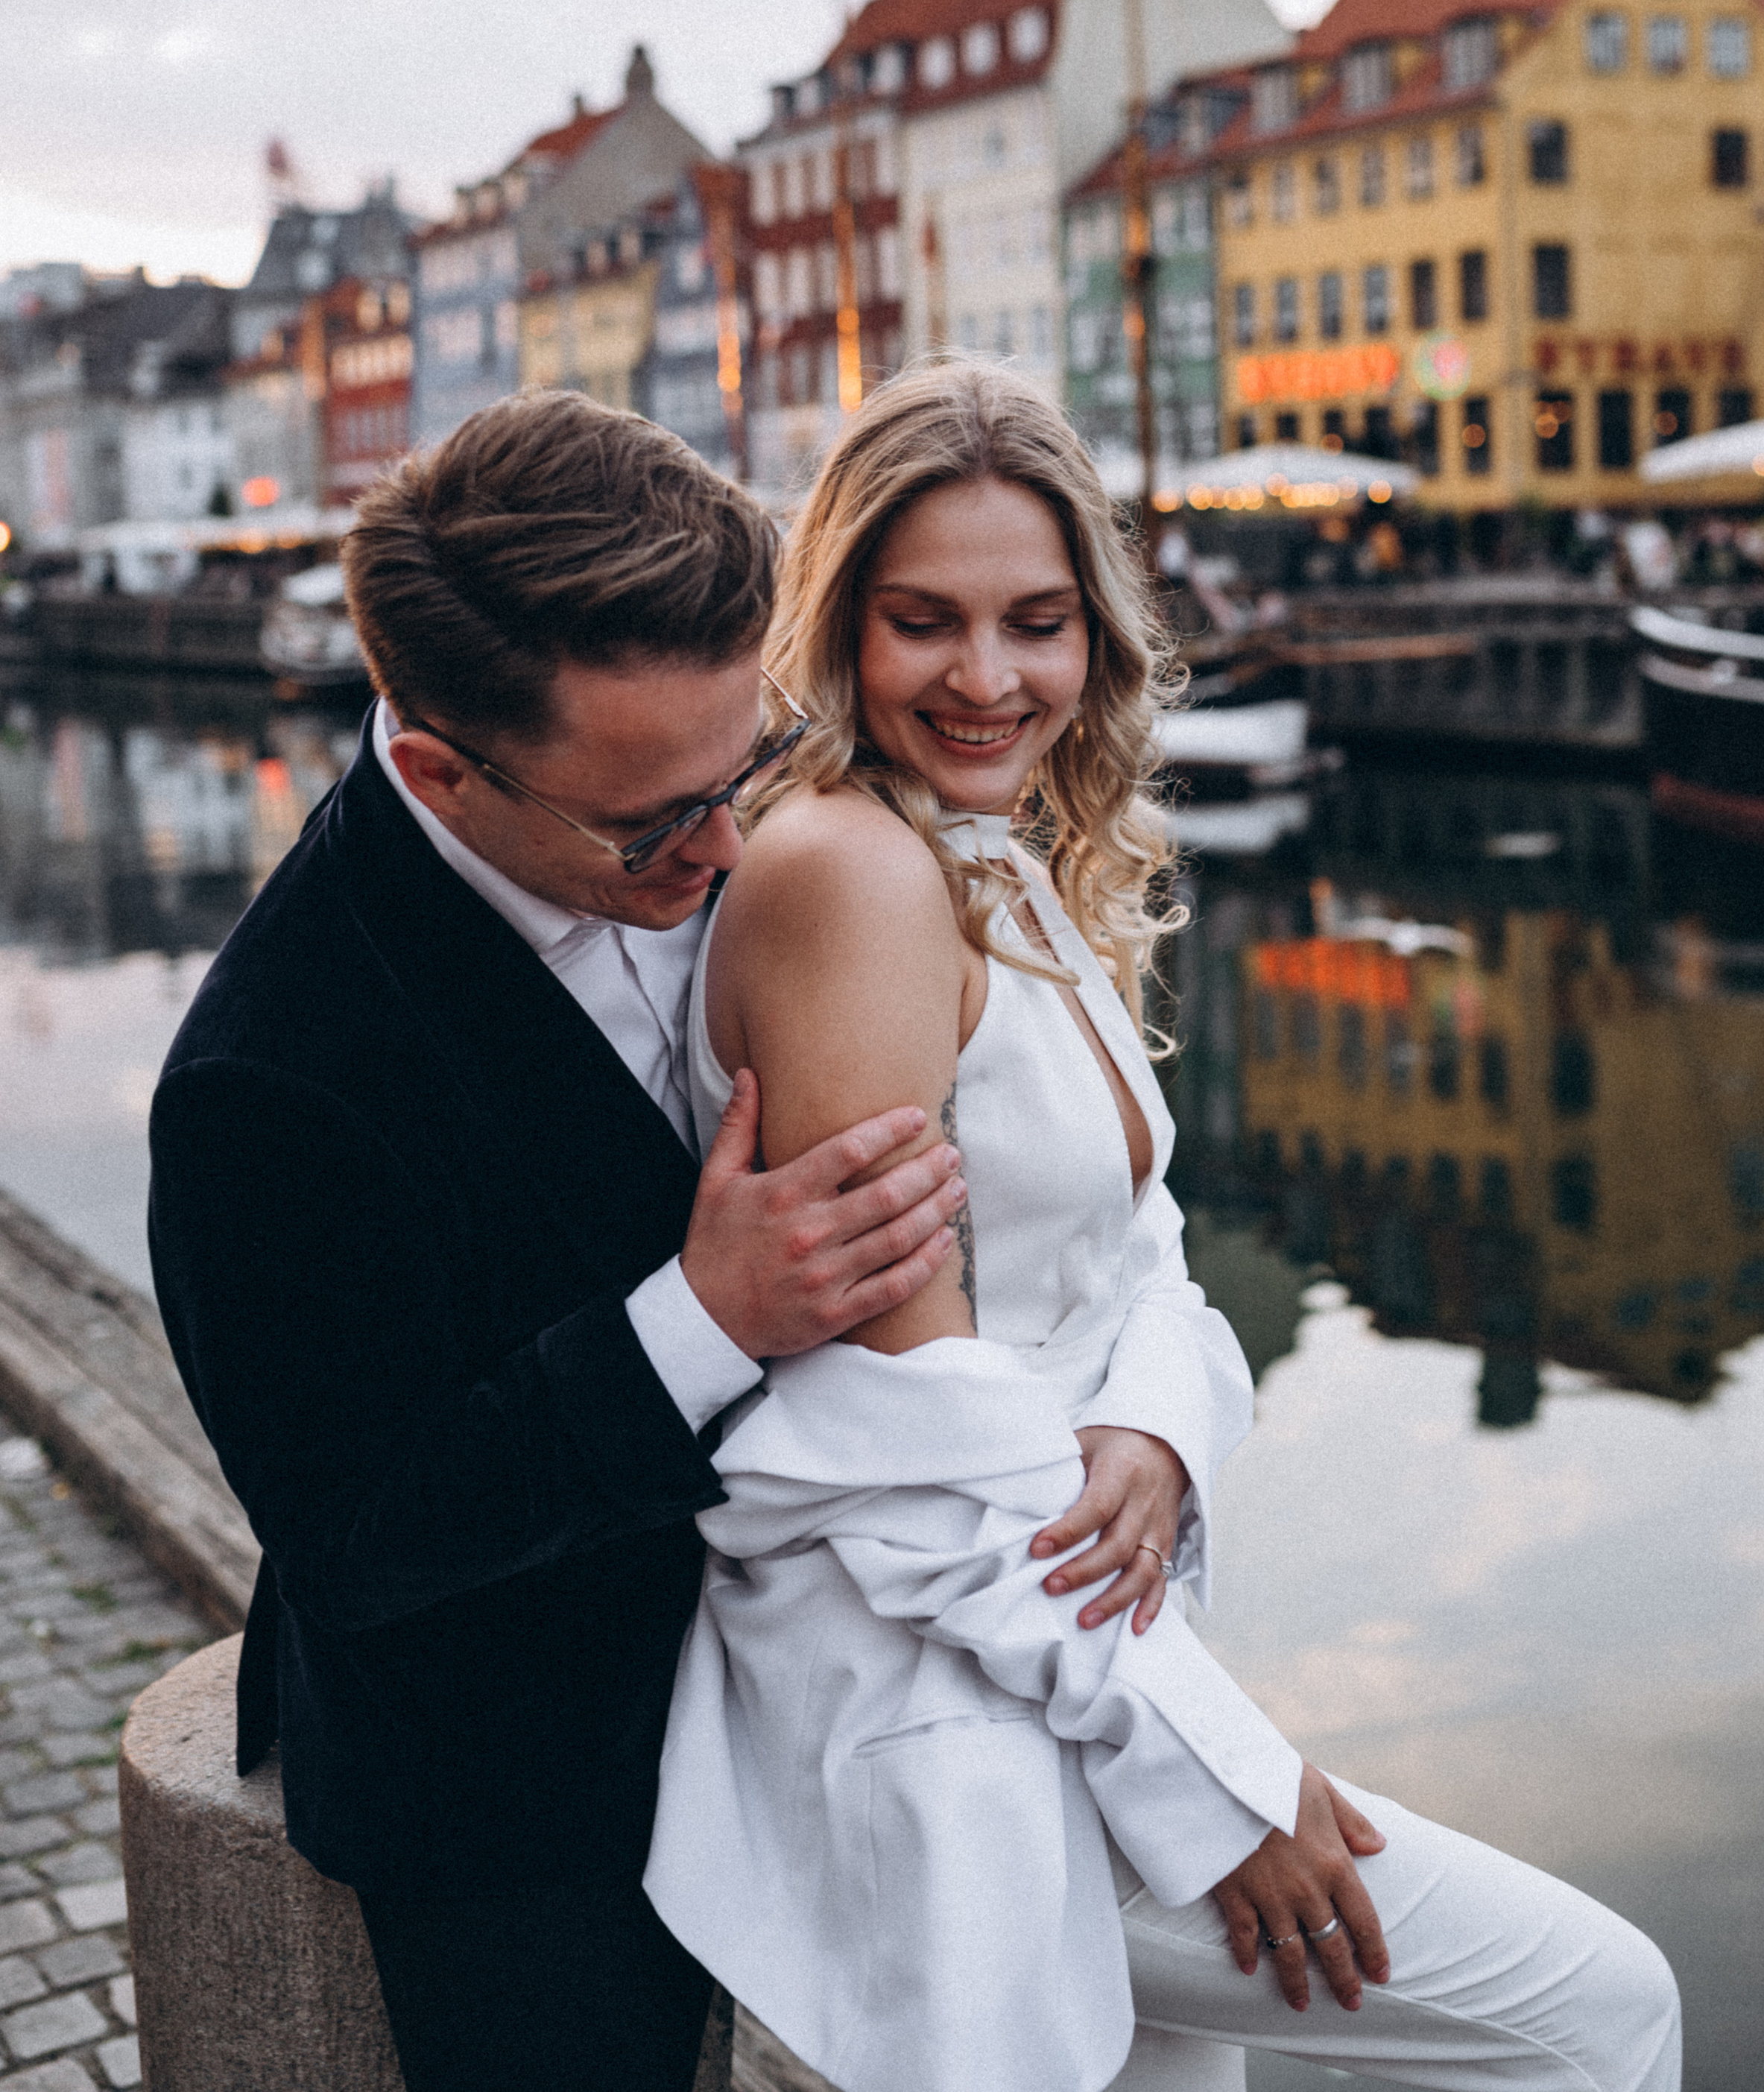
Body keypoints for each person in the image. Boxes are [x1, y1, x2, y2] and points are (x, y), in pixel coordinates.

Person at [644, 361, 1681, 2092]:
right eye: (923, 622)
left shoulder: (994, 853)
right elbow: (899, 1432)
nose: (988, 678)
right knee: (1591, 2010)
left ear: (1096, 633)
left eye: (1035, 621)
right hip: (944, 1703)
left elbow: (1141, 1247)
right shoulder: (849, 874)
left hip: (1070, 1650)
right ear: (835, 627)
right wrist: (1217, 1778)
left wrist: (1156, 1423)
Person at [151, 392, 1129, 2092]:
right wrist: (701, 1312)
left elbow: (1099, 1196)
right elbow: (360, 1538)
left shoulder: (766, 835)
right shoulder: (271, 1072)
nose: (729, 843)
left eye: (743, 764)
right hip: (529, 1773)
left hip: (855, 1660)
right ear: (440, 761)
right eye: (648, 823)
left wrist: (1159, 1417)